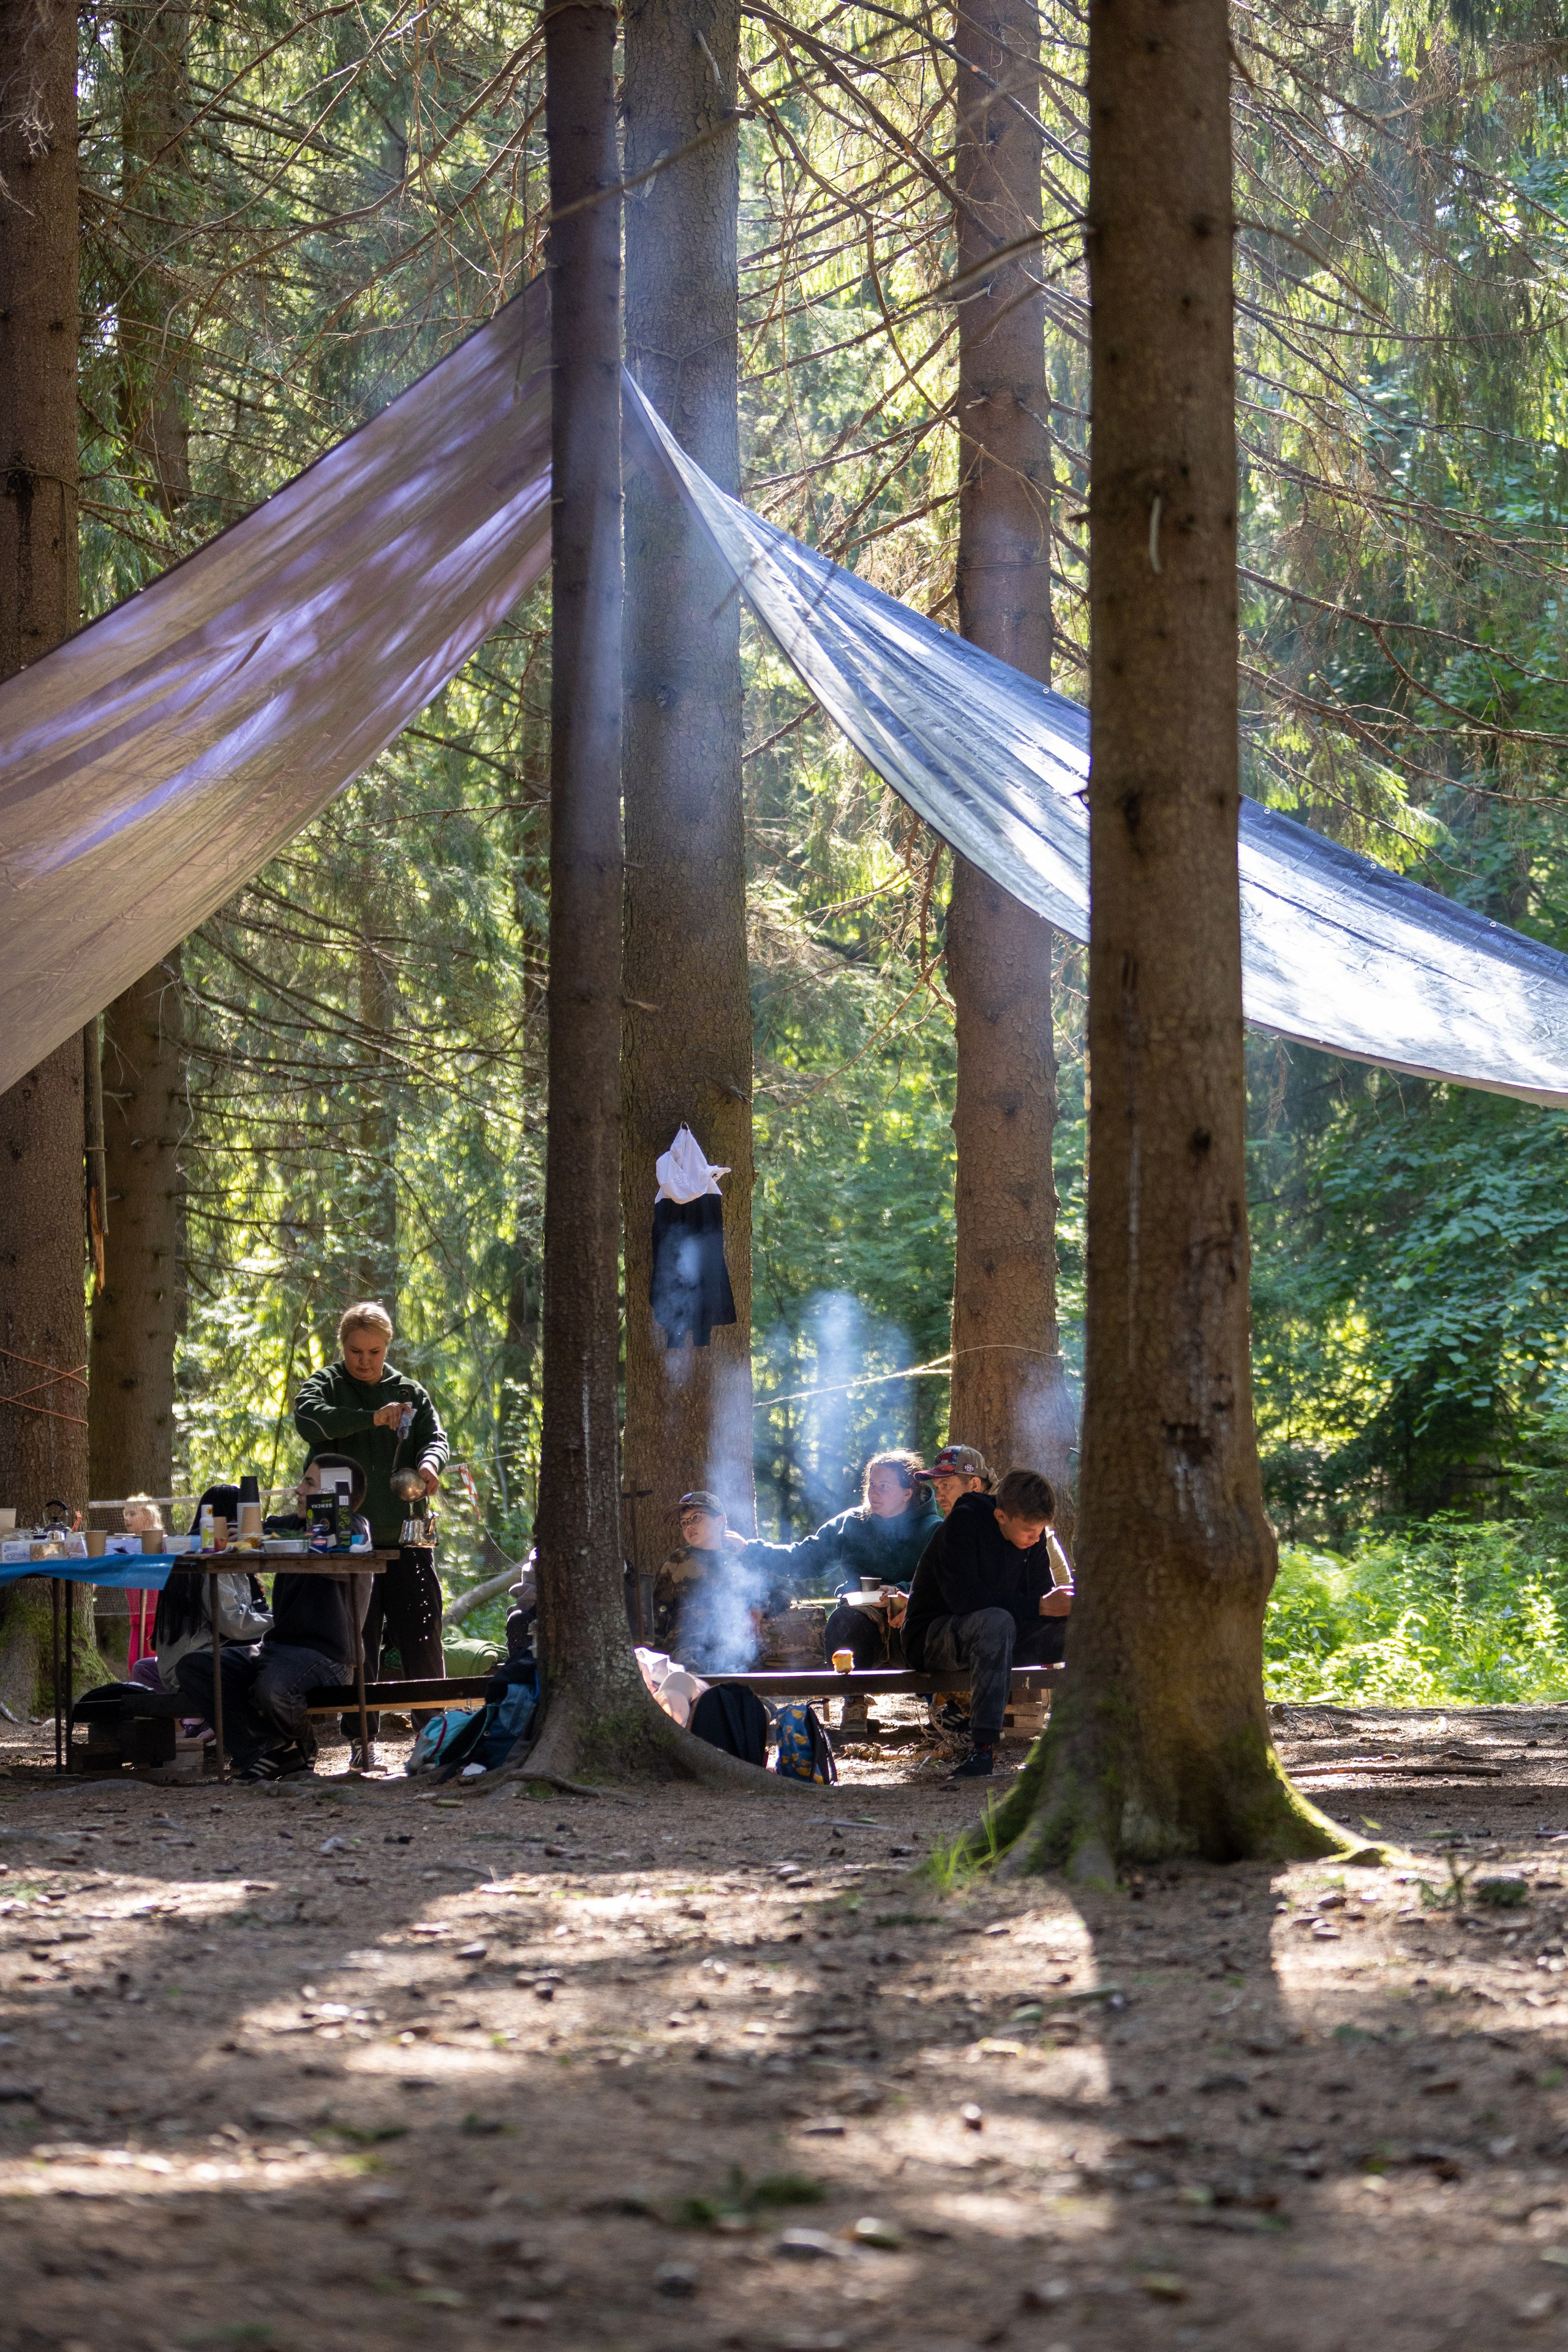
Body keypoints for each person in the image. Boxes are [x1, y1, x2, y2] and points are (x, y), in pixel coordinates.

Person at [293, 1302, 450, 1766]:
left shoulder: (409, 1392)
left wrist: (430, 1464)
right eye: (356, 1352)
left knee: (421, 1633)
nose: (365, 1361)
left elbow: (436, 1437)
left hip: (406, 1534)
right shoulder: (325, 1386)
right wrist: (371, 1418)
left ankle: (435, 1734)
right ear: (343, 1347)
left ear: (387, 1348)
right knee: (357, 1641)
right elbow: (309, 1421)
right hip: (343, 1536)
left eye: (374, 1352)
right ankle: (362, 1740)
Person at [176, 1458, 375, 1781]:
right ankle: (268, 1751)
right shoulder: (291, 1525)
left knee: (274, 1689)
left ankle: (299, 1746)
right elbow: (257, 1530)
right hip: (276, 1649)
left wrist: (271, 1536)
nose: (298, 1490)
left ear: (334, 1491)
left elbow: (342, 1537)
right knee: (196, 1667)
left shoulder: (353, 1529)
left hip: (328, 1657)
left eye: (309, 1484)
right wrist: (242, 1534)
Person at [901, 1466, 1073, 1780]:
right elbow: (964, 1600)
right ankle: (982, 1749)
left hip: (1001, 1636)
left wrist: (1065, 1608)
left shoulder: (1034, 1540)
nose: (1035, 1539)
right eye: (1029, 1531)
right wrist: (1040, 1606)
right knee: (997, 1622)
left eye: (1040, 1532)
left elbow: (1038, 1599)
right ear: (1001, 1517)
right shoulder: (965, 1522)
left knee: (1080, 1629)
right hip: (934, 1637)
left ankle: (1084, 1736)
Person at [651, 1491, 763, 1671]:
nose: (689, 1526)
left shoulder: (741, 1557)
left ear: (719, 1521)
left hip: (734, 1645)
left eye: (696, 1518)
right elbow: (657, 1614)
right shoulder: (677, 1562)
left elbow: (779, 1590)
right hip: (688, 1650)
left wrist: (758, 1610)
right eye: (684, 1523)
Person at [925, 1444, 993, 1518]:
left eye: (946, 1485)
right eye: (937, 1488)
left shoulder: (1000, 1517)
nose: (937, 1497)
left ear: (975, 1485)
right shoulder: (969, 1517)